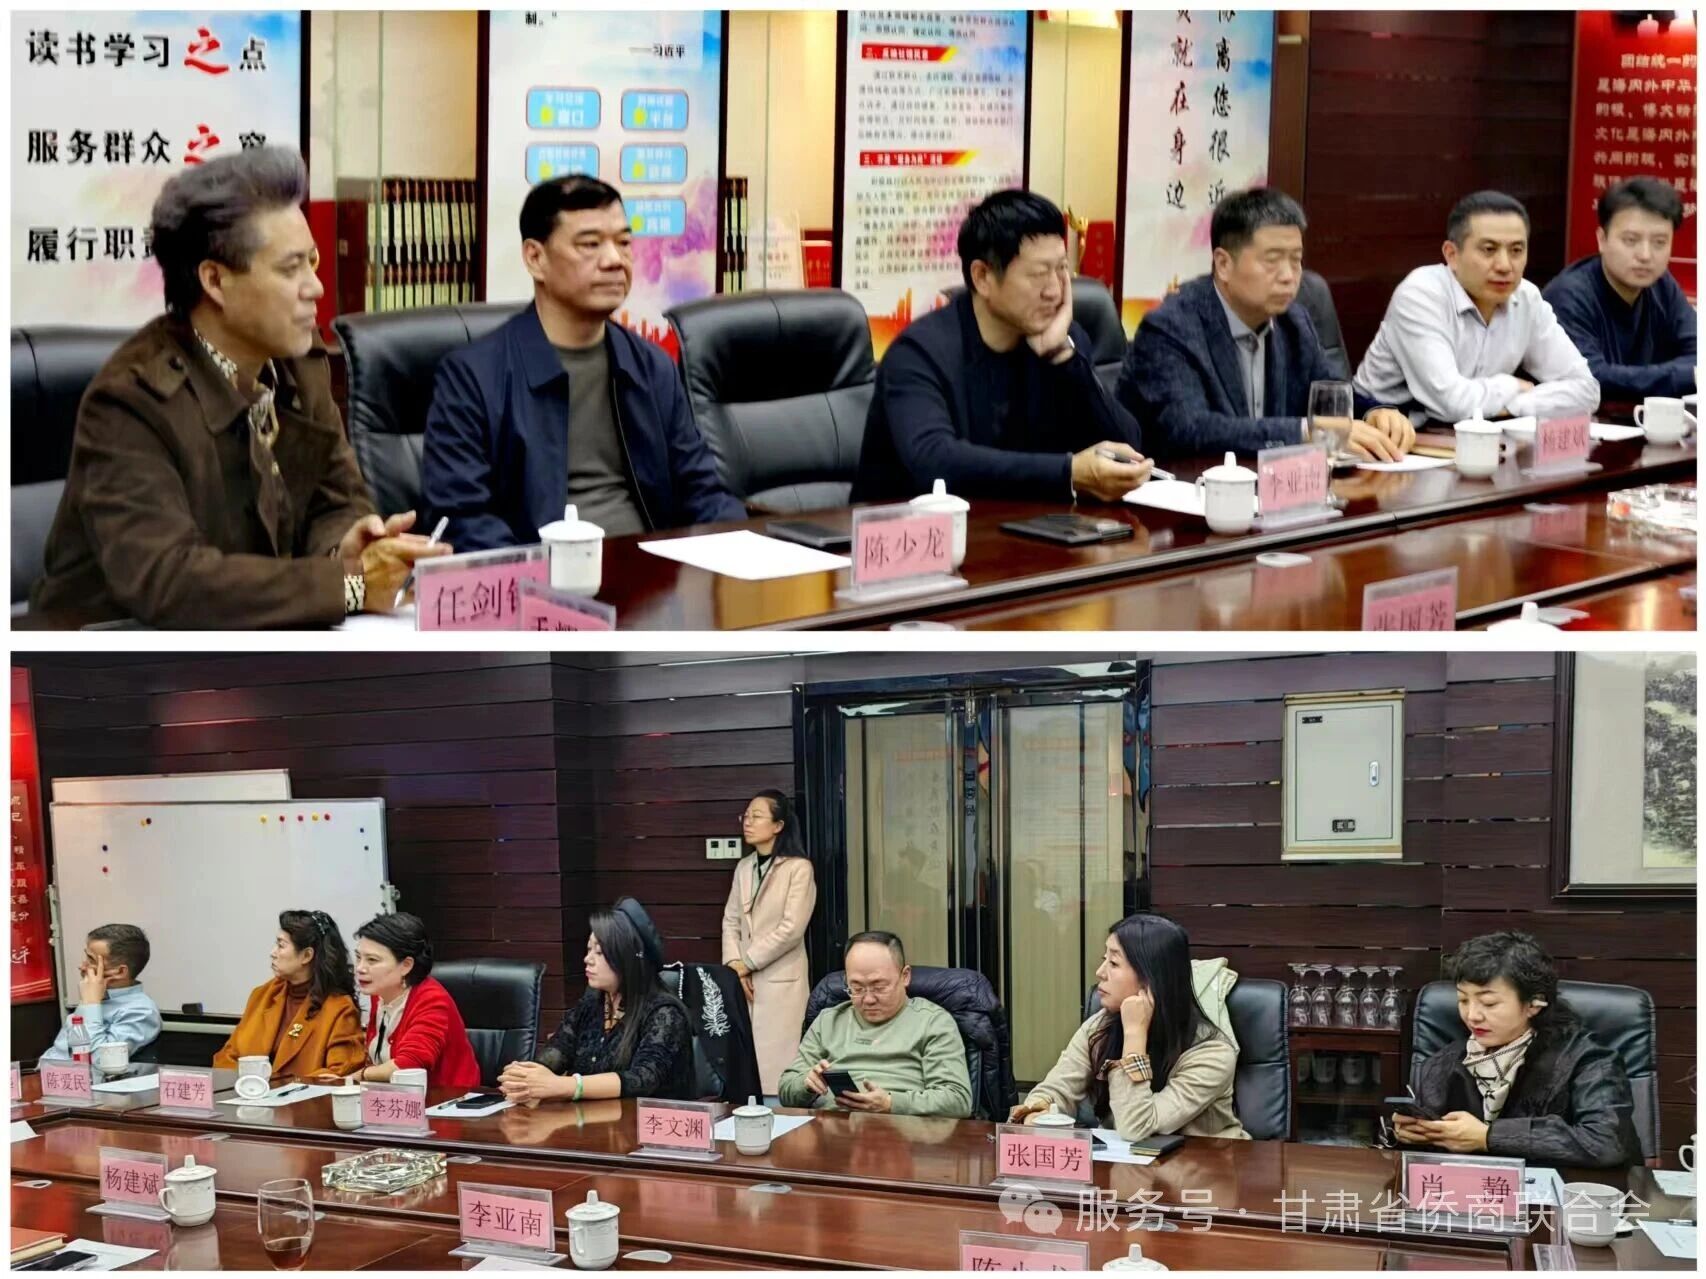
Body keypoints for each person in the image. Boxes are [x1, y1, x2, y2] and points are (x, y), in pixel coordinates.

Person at [30, 146, 448, 628]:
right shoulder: (130, 403)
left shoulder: (297, 361)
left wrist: (346, 548)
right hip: (109, 655)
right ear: (215, 280)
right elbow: (171, 581)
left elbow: (336, 497)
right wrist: (350, 586)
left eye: (312, 262)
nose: (315, 287)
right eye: (290, 269)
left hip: (259, 645)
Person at [422, 175, 746, 551]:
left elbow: (702, 492)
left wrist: (744, 547)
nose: (614, 260)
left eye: (623, 243)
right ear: (535, 258)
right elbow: (462, 518)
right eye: (590, 244)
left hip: (651, 571)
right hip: (541, 576)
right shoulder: (471, 377)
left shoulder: (651, 367)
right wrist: (539, 576)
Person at [851, 189, 1154, 504]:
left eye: (1062, 269)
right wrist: (1068, 472)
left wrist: (1064, 358)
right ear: (982, 277)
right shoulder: (918, 354)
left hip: (1028, 527)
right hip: (913, 530)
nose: (1054, 290)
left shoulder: (1062, 340)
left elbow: (1127, 448)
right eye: (1039, 274)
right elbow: (934, 460)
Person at [1117, 188, 1414, 461]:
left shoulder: (1294, 321)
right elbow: (1190, 429)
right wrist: (1304, 432)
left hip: (1273, 489)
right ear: (1223, 264)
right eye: (1272, 260)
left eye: (1296, 260)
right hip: (1182, 491)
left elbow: (1326, 395)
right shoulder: (1170, 328)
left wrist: (1375, 413)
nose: (1288, 276)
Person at [1394, 931, 1642, 1168]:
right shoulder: (1444, 1063)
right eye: (1463, 1000)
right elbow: (1422, 1156)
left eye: (1489, 1003)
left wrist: (1488, 1137)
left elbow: (1605, 1143)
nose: (1472, 1015)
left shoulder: (1588, 1061)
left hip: (1563, 1192)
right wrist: (1409, 1135)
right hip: (1468, 1191)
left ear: (1534, 1004)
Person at [1355, 191, 1599, 424]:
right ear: (1452, 254)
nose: (1504, 265)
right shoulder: (1421, 294)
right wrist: (1511, 386)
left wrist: (1516, 406)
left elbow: (1587, 390)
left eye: (1516, 250)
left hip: (1474, 430)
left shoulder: (1527, 298)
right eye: (1489, 249)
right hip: (1386, 430)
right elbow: (1451, 404)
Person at [1010, 913, 1248, 1142]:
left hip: (1204, 1164)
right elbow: (1056, 1089)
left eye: (1114, 963)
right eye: (1104, 959)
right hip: (1123, 1164)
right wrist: (1036, 1114)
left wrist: (1135, 1034)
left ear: (1151, 978)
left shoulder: (1213, 1054)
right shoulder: (1101, 1026)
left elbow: (1136, 1126)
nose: (1100, 972)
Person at [500, 900, 694, 1104]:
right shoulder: (592, 1004)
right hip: (591, 1120)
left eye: (599, 953)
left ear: (626, 958)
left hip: (650, 1121)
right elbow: (558, 1051)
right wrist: (524, 1076)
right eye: (589, 949)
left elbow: (642, 1079)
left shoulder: (665, 1014)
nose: (588, 959)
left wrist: (565, 1085)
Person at [778, 931, 972, 1118]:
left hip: (901, 1131)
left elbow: (957, 1100)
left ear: (905, 976)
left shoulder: (933, 1022)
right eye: (857, 988)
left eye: (879, 987)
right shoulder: (828, 1020)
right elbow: (786, 1090)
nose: (868, 999)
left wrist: (891, 1104)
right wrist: (806, 1085)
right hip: (832, 1128)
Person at [1542, 177, 1697, 402]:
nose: (1645, 255)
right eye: (1631, 240)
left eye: (1659, 242)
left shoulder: (1662, 284)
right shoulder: (1568, 296)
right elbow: (1592, 378)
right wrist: (1686, 375)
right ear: (1602, 239)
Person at [722, 790, 817, 1095]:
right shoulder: (744, 867)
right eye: (746, 816)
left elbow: (791, 929)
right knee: (744, 1064)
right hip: (742, 979)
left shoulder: (798, 868)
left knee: (778, 1063)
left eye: (756, 816)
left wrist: (747, 962)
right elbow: (731, 921)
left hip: (780, 979)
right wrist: (734, 966)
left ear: (778, 825)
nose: (747, 822)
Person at [212, 910, 364, 1081]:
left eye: (281, 945)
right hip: (249, 1093)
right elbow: (227, 1057)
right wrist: (248, 1086)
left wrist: (281, 1089)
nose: (272, 952)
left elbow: (338, 1074)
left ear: (306, 955)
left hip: (304, 1098)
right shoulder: (262, 995)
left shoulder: (339, 1008)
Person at [348, 912, 480, 1088]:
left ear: (406, 965)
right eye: (358, 957)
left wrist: (358, 1076)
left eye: (372, 960)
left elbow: (408, 1065)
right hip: (393, 1096)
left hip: (447, 1098)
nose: (360, 968)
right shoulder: (380, 993)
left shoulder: (431, 999)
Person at [39, 925, 161, 1063]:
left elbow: (98, 1061)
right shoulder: (98, 996)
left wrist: (91, 1004)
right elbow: (59, 1052)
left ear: (120, 972)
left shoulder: (141, 1011)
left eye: (91, 960)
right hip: (49, 1070)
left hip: (80, 1075)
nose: (82, 966)